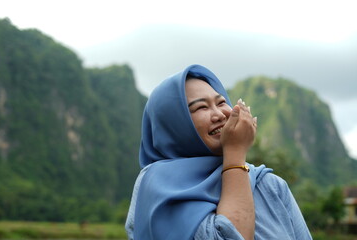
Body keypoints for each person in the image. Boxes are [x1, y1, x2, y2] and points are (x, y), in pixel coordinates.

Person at [125, 64, 312, 240]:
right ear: (174, 125)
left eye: (221, 102)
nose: (220, 115)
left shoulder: (269, 184)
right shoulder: (158, 185)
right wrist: (235, 152)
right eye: (201, 107)